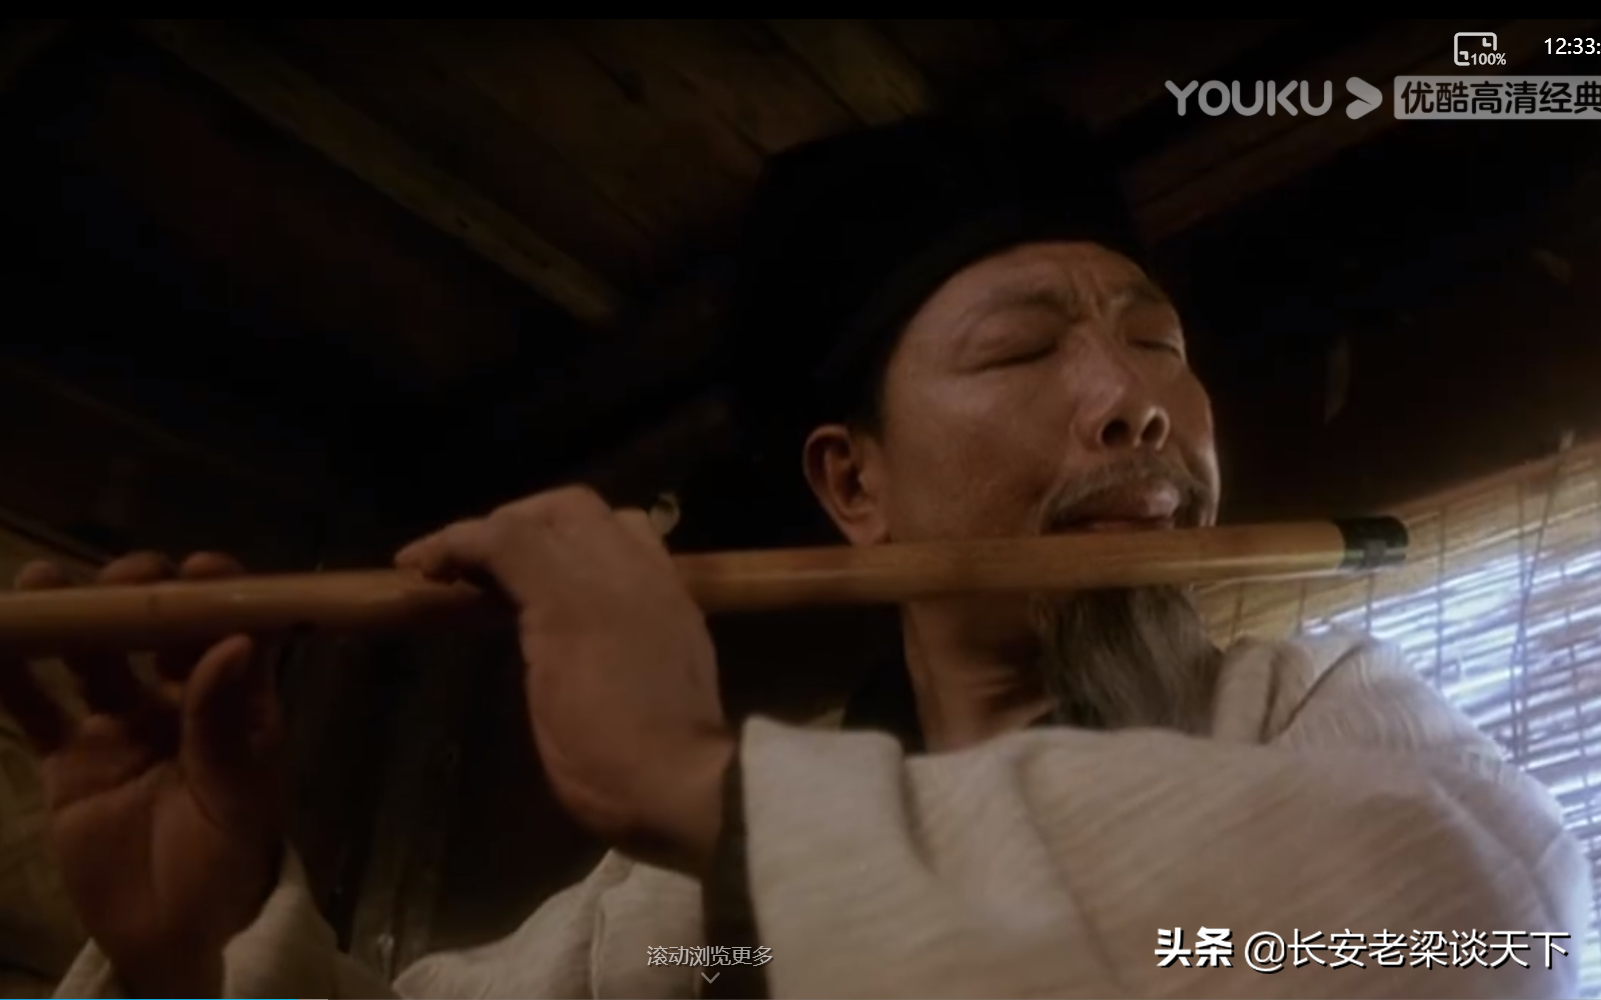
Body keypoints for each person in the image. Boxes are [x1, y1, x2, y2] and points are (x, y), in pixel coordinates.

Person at [1, 106, 1588, 999]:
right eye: (1023, 347)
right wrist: (190, 945)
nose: (1139, 403)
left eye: (1158, 339)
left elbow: (1476, 935)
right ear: (853, 483)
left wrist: (708, 783)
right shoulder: (668, 905)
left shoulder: (1318, 719)